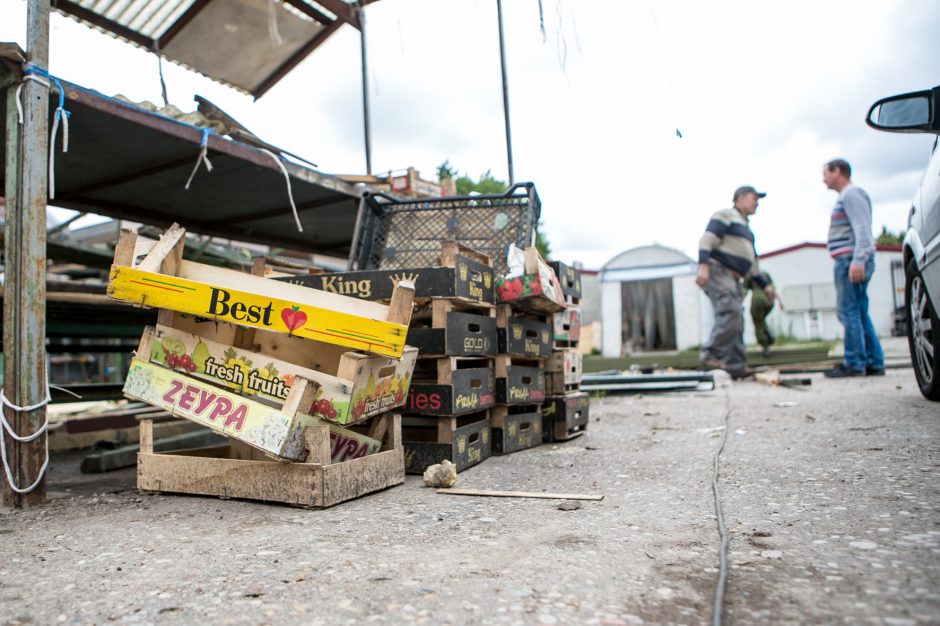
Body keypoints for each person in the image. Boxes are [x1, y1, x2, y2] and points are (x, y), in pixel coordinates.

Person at [697, 186, 776, 379]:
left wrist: (765, 284)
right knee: (730, 311)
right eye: (753, 198)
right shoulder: (726, 215)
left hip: (734, 277)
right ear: (740, 198)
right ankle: (710, 356)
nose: (756, 202)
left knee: (737, 318)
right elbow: (707, 240)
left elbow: (753, 265)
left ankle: (735, 365)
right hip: (718, 271)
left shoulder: (747, 230)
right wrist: (703, 267)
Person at [822, 159, 885, 377]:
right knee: (858, 311)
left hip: (851, 260)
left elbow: (862, 229)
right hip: (851, 259)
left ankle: (855, 362)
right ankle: (873, 361)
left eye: (826, 173)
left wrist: (858, 259)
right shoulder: (849, 195)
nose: (823, 179)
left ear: (837, 172)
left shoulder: (851, 194)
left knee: (848, 311)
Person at [744, 270, 784, 358]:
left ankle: (765, 345)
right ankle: (768, 335)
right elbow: (772, 288)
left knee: (757, 323)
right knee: (761, 320)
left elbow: (744, 289)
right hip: (769, 302)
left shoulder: (750, 275)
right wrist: (779, 302)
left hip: (757, 301)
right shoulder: (765, 274)